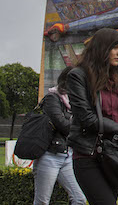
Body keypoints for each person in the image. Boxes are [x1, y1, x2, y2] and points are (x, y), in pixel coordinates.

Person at [67, 28, 118, 204]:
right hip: (88, 156)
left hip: (113, 156)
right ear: (102, 48)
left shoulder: (116, 78)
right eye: (116, 48)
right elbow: (88, 119)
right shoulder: (78, 76)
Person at [33, 67, 86, 205]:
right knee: (42, 201)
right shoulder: (52, 98)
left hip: (67, 155)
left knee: (79, 199)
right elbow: (61, 124)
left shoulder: (77, 101)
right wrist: (83, 126)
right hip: (50, 154)